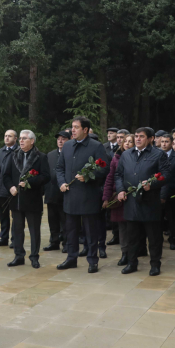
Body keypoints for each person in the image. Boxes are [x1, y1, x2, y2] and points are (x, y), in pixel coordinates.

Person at [55, 116, 109, 273]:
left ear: (85, 130)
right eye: (72, 127)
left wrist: (88, 176)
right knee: (71, 230)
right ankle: (71, 258)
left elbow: (104, 168)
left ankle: (92, 260)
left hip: (88, 195)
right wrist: (61, 183)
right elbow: (59, 168)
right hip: (70, 195)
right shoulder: (67, 145)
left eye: (76, 127)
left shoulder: (96, 146)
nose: (72, 130)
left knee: (90, 231)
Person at [115, 128, 169, 276]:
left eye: (142, 136)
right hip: (131, 202)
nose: (138, 139)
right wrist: (120, 190)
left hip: (150, 202)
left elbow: (166, 175)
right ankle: (132, 263)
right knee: (132, 236)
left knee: (153, 237)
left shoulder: (159, 154)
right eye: (136, 136)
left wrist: (152, 184)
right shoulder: (126, 154)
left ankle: (155, 264)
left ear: (151, 139)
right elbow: (118, 175)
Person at [3, 130, 51, 268]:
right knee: (17, 230)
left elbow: (46, 176)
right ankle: (18, 256)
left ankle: (34, 257)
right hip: (16, 199)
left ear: (32, 141)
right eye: (20, 139)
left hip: (32, 200)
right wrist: (10, 187)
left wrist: (30, 182)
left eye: (24, 138)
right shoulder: (13, 155)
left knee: (34, 231)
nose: (21, 141)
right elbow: (5, 175)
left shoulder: (40, 157)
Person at [102, 133, 134, 266]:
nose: (127, 143)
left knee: (133, 228)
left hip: (134, 197)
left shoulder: (137, 158)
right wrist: (106, 197)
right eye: (125, 141)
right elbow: (110, 178)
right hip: (119, 198)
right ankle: (125, 253)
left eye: (130, 141)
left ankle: (134, 252)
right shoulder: (116, 158)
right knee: (122, 227)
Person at [0, 130, 18, 247]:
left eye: (9, 136)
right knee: (3, 215)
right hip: (0, 188)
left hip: (13, 189)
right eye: (5, 136)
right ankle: (4, 237)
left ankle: (15, 239)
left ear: (15, 139)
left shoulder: (19, 152)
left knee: (16, 216)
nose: (6, 138)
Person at [43, 130, 70, 252]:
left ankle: (66, 243)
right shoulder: (50, 154)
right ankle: (54, 242)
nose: (60, 141)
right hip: (51, 192)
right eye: (58, 139)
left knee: (65, 220)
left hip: (64, 193)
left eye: (63, 139)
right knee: (52, 219)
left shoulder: (70, 154)